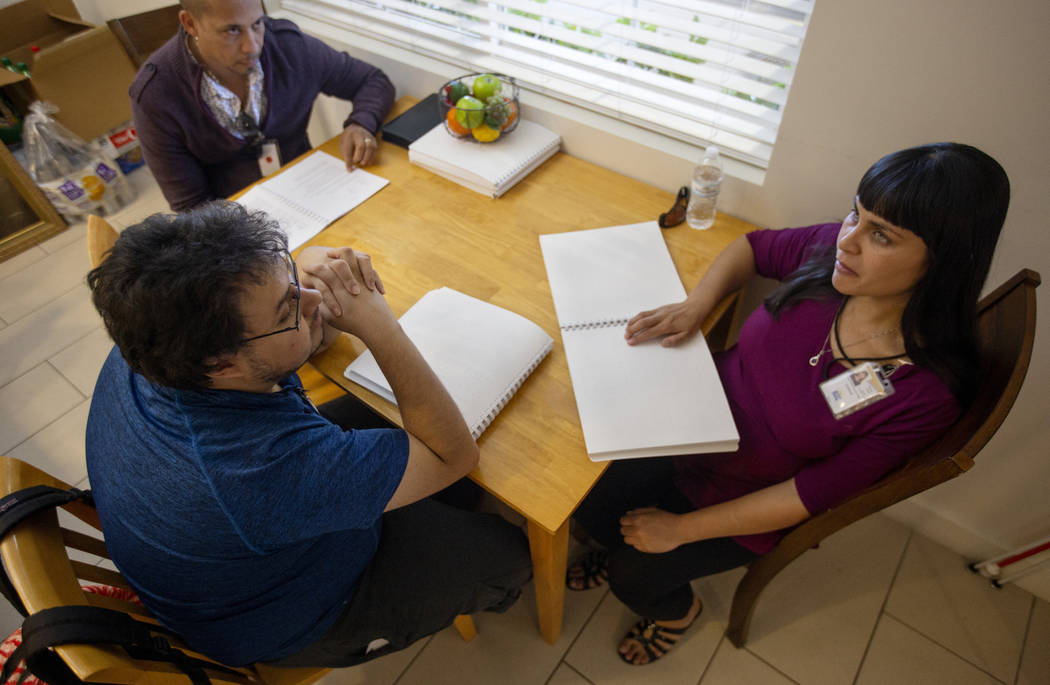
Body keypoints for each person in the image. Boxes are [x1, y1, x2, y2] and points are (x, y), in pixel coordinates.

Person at [566, 143, 1010, 665]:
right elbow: (752, 249)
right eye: (856, 214)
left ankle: (676, 613)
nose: (849, 240)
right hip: (688, 417)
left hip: (749, 493)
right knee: (588, 497)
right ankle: (618, 538)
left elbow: (809, 494)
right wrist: (697, 304)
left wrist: (681, 529)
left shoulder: (923, 393)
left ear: (944, 262)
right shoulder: (833, 254)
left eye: (881, 235)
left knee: (633, 573)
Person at [84, 202, 531, 667]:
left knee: (419, 455)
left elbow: (304, 332)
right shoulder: (261, 471)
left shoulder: (163, 334)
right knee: (509, 554)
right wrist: (378, 323)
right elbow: (453, 456)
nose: (311, 301)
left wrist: (313, 277)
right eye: (286, 312)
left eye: (293, 282)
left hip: (243, 554)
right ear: (223, 364)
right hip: (296, 615)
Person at [130, 0, 395, 212]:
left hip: (315, 194)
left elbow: (373, 81)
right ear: (191, 24)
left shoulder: (288, 46)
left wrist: (361, 123)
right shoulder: (155, 95)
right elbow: (192, 207)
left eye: (257, 23)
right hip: (237, 226)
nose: (252, 46)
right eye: (232, 30)